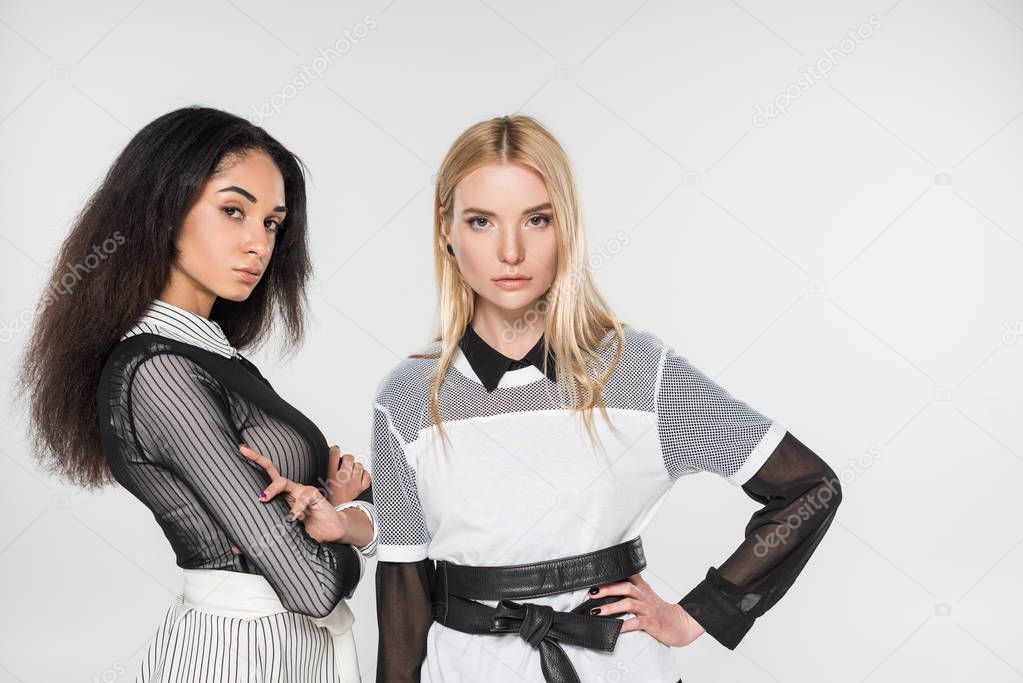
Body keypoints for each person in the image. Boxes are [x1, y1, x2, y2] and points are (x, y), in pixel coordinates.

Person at [371, 115, 843, 682]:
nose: (511, 250)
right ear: (446, 229)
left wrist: (698, 614)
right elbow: (402, 588)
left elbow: (810, 488)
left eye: (537, 219)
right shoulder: (406, 398)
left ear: (565, 226)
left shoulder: (639, 372)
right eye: (481, 221)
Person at [19, 106, 377, 682]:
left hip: (283, 652)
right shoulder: (159, 371)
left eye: (271, 223)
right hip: (238, 657)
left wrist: (332, 515)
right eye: (233, 211)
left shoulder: (210, 353)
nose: (258, 243)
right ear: (162, 209)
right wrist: (342, 524)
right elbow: (310, 586)